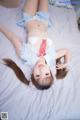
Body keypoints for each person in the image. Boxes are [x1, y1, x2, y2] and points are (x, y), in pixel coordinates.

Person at [0, 0, 70, 90]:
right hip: (44, 20)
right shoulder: (51, 57)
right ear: (50, 71)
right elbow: (66, 51)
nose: (41, 70)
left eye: (37, 75)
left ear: (32, 74)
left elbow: (12, 37)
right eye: (46, 74)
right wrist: (66, 62)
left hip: (30, 18)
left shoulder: (25, 55)